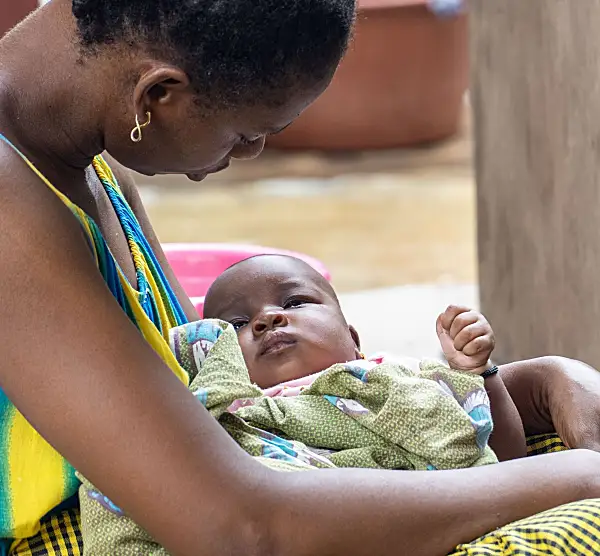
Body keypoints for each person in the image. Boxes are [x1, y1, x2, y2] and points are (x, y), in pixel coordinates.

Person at [2, 1, 600, 555]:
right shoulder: (12, 207)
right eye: (245, 132)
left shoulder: (88, 168)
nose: (254, 151)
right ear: (155, 95)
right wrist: (573, 478)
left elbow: (228, 412)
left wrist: (543, 384)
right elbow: (239, 527)